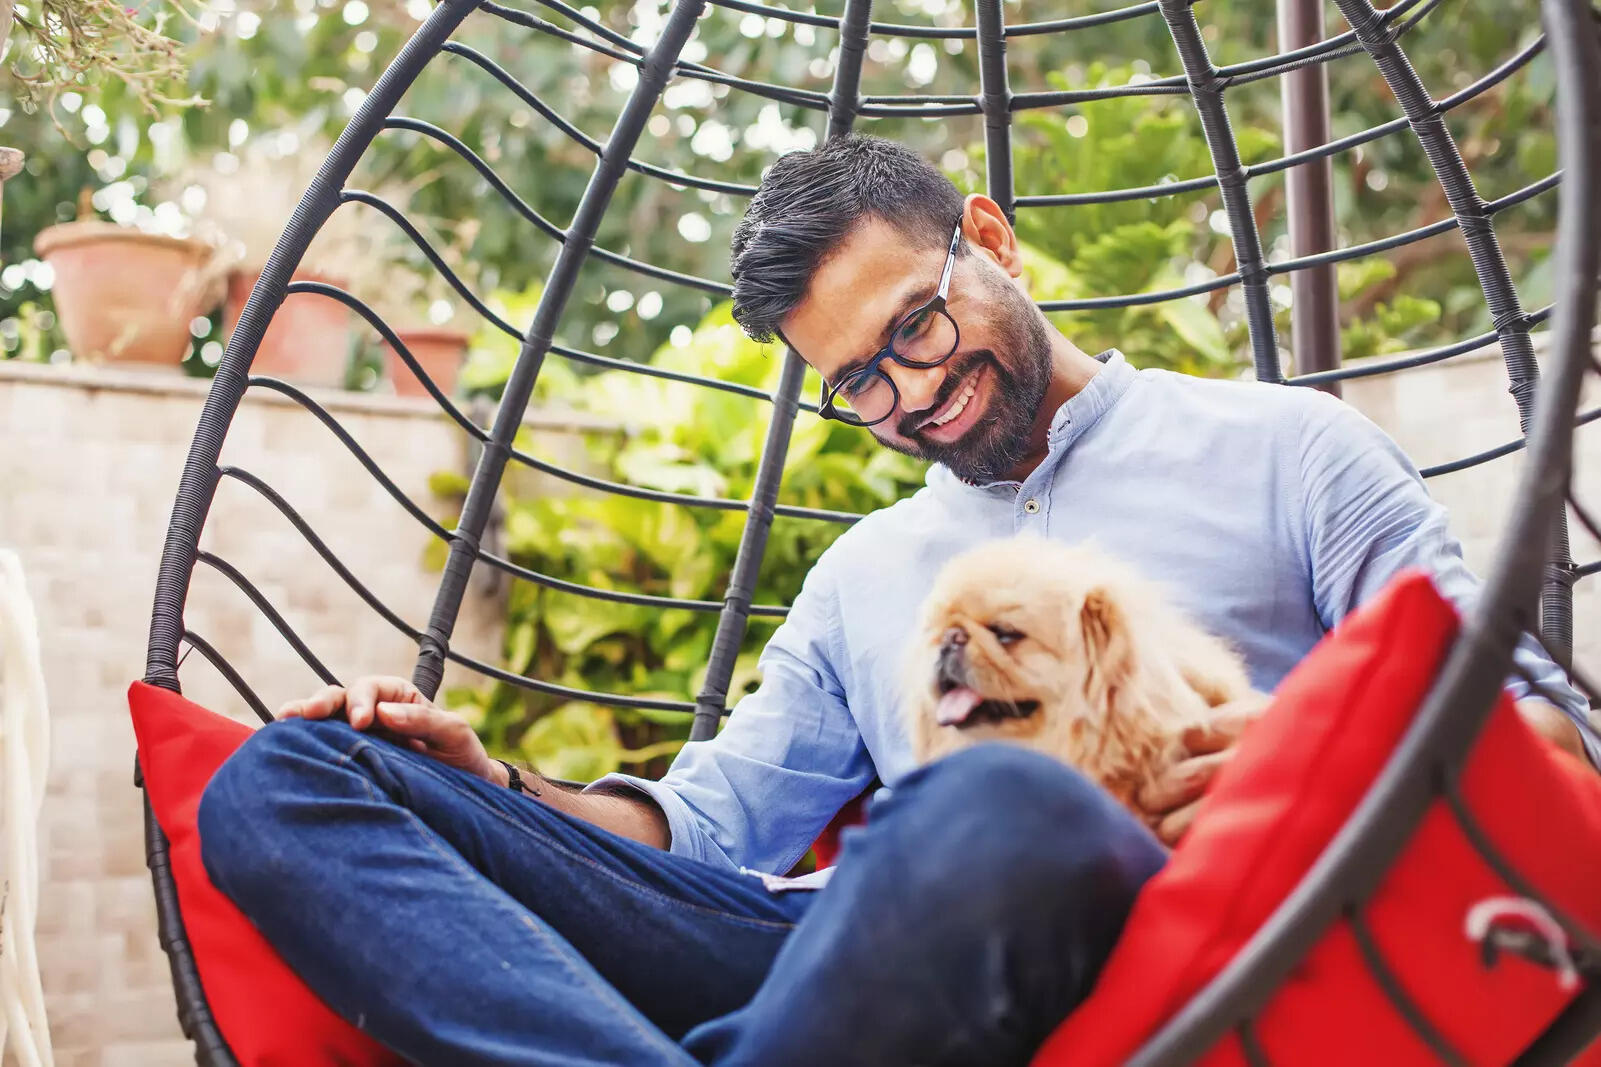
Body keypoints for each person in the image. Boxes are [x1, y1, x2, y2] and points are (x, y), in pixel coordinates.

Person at [198, 135, 1595, 1066]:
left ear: (986, 237)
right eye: (860, 381)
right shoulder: (865, 575)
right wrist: (496, 783)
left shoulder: (1289, 454)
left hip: (1114, 901)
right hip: (852, 946)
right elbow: (701, 826)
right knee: (288, 782)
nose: (911, 394)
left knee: (996, 798)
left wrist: (1303, 754)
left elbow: (1535, 741)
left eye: (916, 329)